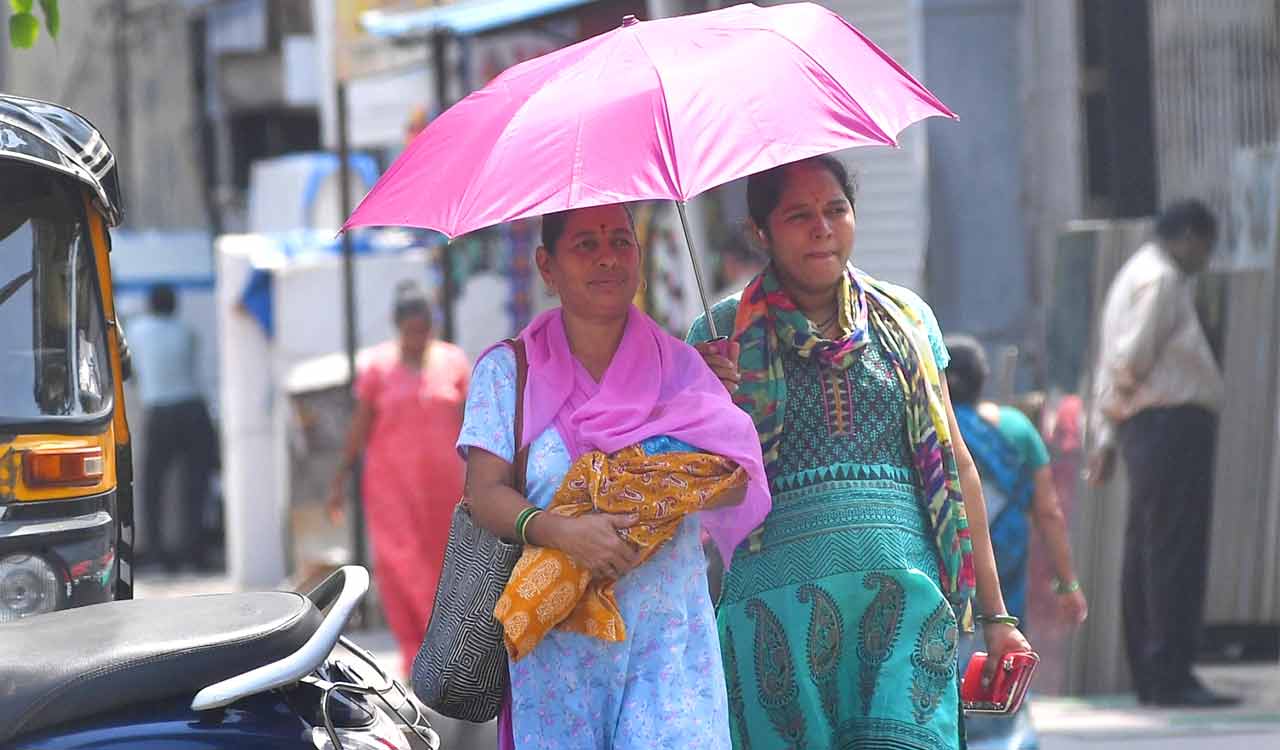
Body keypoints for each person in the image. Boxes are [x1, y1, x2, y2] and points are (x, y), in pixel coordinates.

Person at [688, 155, 1030, 750]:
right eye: (799, 215)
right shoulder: (719, 338)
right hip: (776, 627)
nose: (822, 227)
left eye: (835, 209)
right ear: (760, 232)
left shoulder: (907, 319)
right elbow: (697, 489)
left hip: (907, 612)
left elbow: (957, 468)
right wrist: (706, 400)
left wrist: (997, 617)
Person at [457, 203, 770, 750]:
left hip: (669, 644)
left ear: (640, 258)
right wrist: (563, 532)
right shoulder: (508, 372)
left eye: (620, 241)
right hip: (560, 656)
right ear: (546, 266)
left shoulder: (683, 368)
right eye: (585, 245)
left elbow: (738, 481)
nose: (607, 258)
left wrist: (708, 428)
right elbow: (483, 493)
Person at [1087, 199, 1237, 707]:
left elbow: (1114, 365)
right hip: (1168, 423)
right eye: (1206, 247)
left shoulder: (1134, 274)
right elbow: (1130, 359)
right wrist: (1114, 416)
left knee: (1150, 548)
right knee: (1174, 549)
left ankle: (1155, 673)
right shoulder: (1162, 278)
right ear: (1191, 235)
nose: (1205, 259)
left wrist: (1107, 431)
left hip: (1146, 426)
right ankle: (1170, 673)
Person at [945, 335, 1088, 749]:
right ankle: (1000, 734)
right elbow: (1048, 512)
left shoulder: (925, 425)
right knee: (1001, 641)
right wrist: (1067, 583)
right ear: (982, 380)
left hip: (943, 559)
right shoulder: (1014, 429)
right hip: (1004, 558)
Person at [326, 280, 471, 676]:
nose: (416, 339)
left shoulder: (454, 362)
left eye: (423, 330)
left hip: (445, 490)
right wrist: (339, 480)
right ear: (397, 327)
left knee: (447, 565)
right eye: (409, 331)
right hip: (391, 488)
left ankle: (447, 652)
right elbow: (359, 427)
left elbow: (474, 426)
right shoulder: (377, 368)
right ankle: (420, 654)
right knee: (401, 567)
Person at [128, 283, 217, 572]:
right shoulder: (187, 331)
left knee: (153, 486)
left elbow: (133, 371)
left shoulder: (137, 330)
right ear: (174, 306)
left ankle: (156, 554)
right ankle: (195, 552)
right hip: (193, 409)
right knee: (195, 486)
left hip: (160, 411)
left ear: (150, 305)